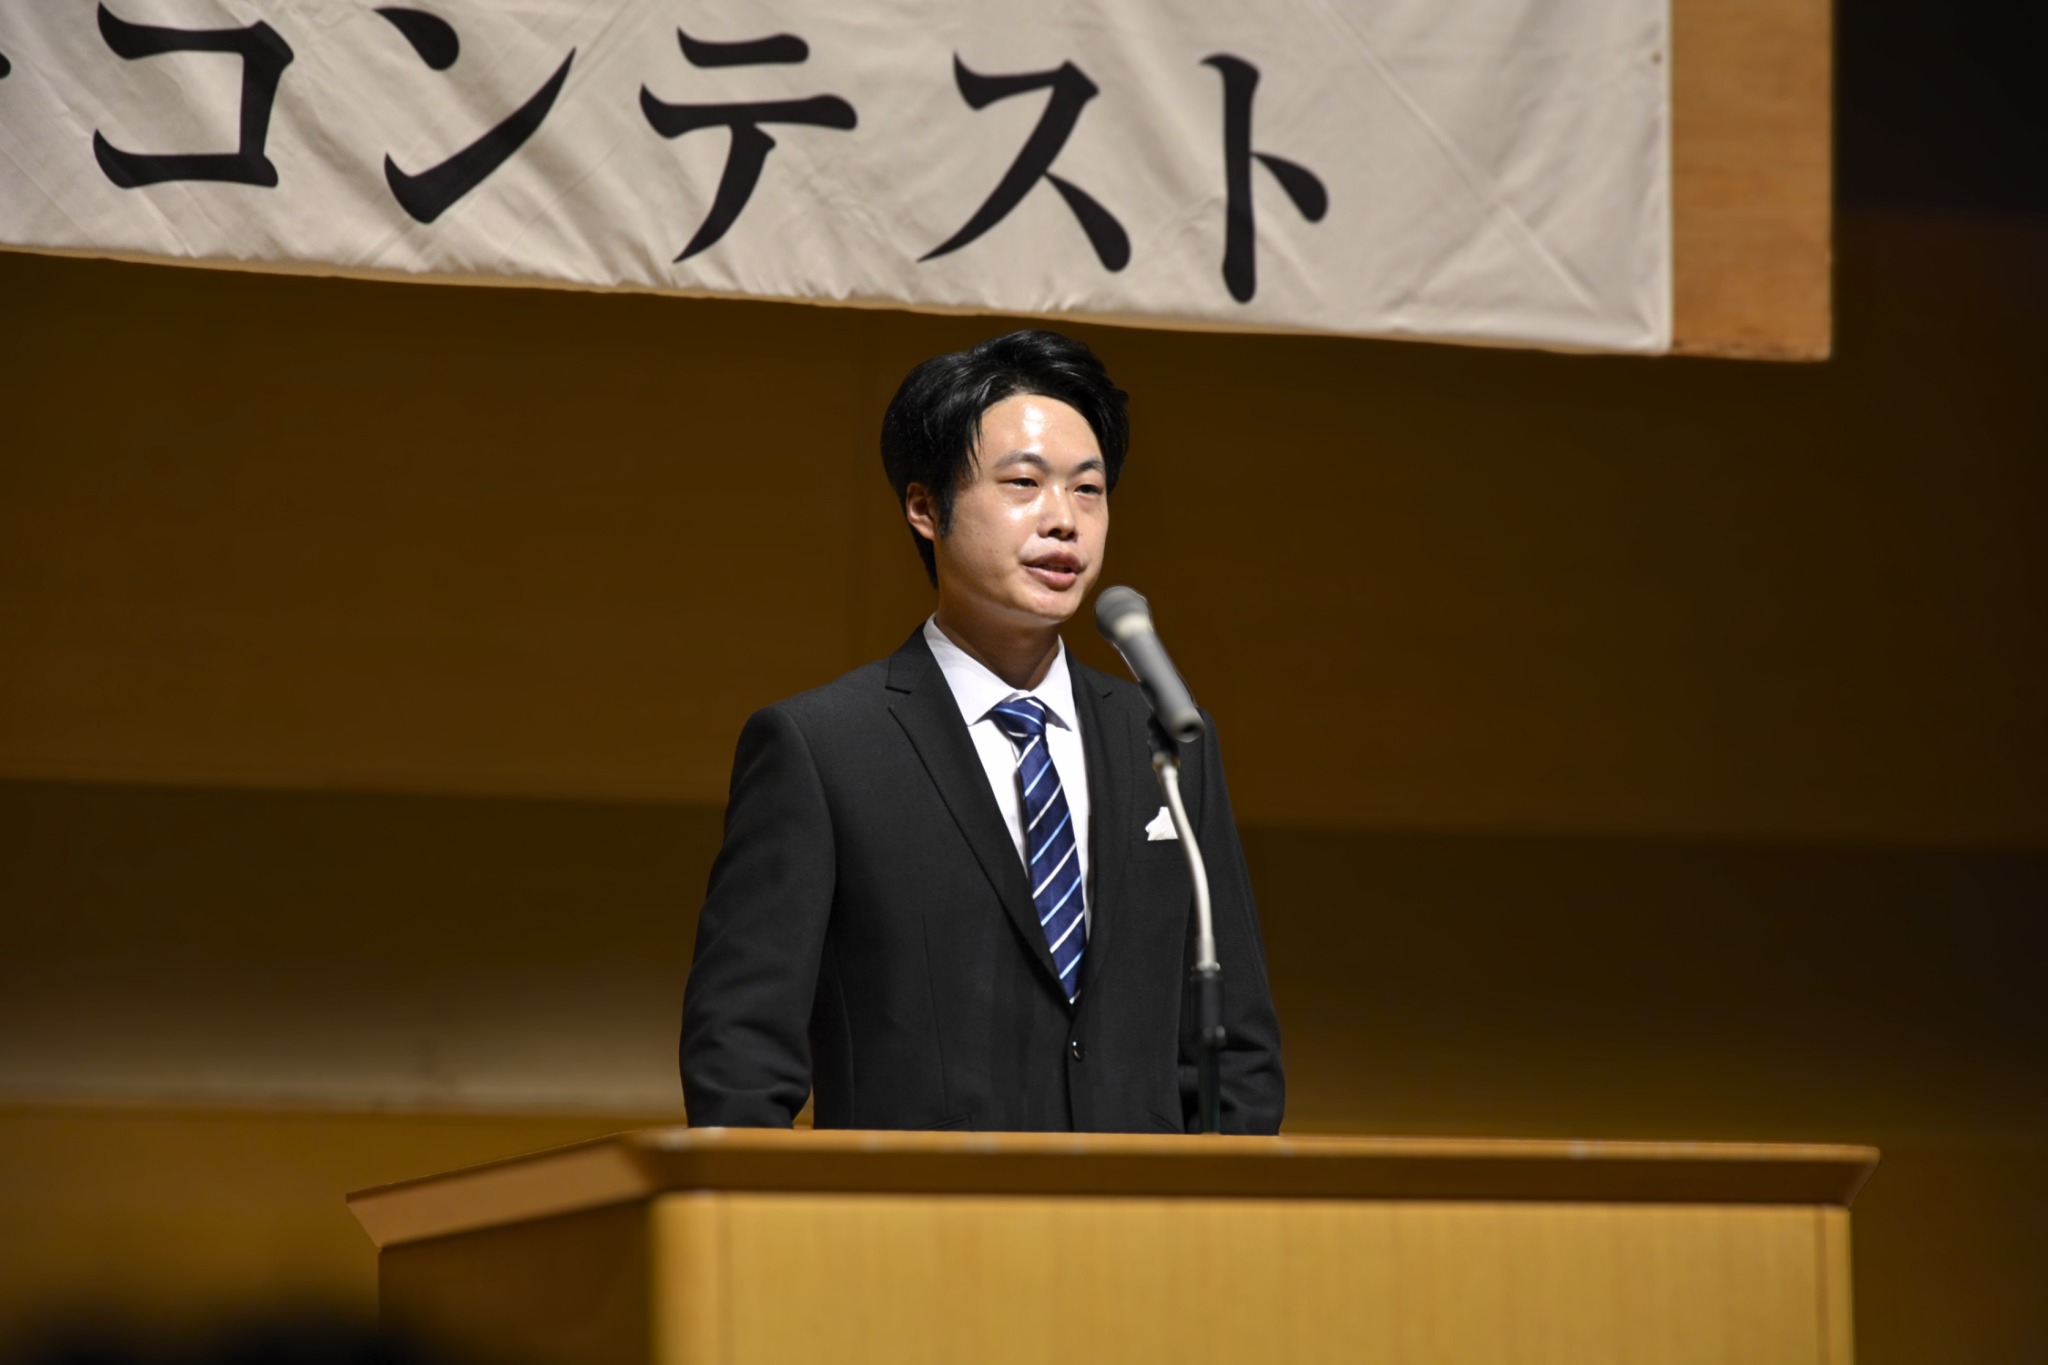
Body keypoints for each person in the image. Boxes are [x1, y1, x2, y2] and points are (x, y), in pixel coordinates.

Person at [679, 329, 1282, 1133]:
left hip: (1141, 1209)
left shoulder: (1167, 743)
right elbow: (739, 1056)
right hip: (914, 1208)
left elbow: (1238, 1049)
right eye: (1024, 483)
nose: (1064, 521)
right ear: (926, 507)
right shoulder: (822, 749)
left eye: (1089, 489)